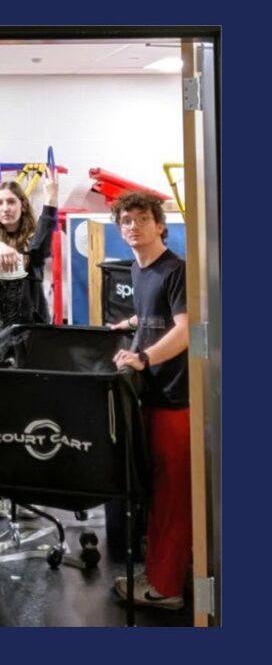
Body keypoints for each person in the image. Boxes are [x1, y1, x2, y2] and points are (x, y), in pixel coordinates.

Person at [108, 191, 191, 610]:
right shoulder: (141, 271)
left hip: (177, 399)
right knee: (158, 492)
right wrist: (128, 324)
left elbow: (186, 329)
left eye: (142, 219)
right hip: (153, 397)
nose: (133, 226)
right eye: (126, 221)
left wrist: (143, 356)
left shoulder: (176, 270)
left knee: (175, 496)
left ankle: (167, 588)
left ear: (160, 225)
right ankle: (159, 570)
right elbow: (153, 314)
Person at [0, 179, 58, 356]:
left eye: (11, 201)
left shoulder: (33, 235)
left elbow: (36, 250)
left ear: (22, 205)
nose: (5, 208)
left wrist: (51, 200)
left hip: (31, 323)